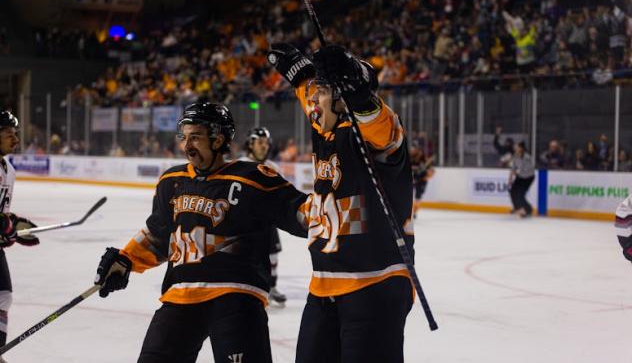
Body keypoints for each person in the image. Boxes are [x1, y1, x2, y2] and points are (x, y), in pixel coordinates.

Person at [94, 102, 309, 363]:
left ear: (218, 139)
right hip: (180, 295)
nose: (187, 146)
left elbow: (305, 215)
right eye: (184, 137)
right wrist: (126, 259)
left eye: (195, 137)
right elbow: (159, 236)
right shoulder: (171, 181)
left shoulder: (253, 179)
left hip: (236, 295)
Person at [268, 44, 415, 363]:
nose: (311, 101)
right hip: (323, 289)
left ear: (343, 98)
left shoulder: (374, 135)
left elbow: (376, 121)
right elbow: (316, 98)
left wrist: (359, 93)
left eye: (319, 93)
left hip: (375, 286)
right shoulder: (326, 127)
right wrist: (303, 74)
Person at [0, 110, 39, 360]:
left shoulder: (9, 170)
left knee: (4, 296)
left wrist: (12, 226)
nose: (15, 140)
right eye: (8, 135)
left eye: (16, 134)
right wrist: (7, 226)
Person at [240, 126, 287, 307]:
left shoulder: (273, 167)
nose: (264, 146)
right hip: (246, 224)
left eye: (266, 143)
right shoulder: (240, 165)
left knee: (273, 256)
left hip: (268, 222)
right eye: (260, 142)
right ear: (250, 144)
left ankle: (271, 288)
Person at [509, 141, 535, 217]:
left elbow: (527, 170)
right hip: (520, 176)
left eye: (516, 146)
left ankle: (528, 210)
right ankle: (517, 207)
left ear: (521, 148)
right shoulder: (515, 155)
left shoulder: (527, 158)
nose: (515, 147)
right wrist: (510, 178)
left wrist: (517, 173)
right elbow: (513, 167)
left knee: (520, 195)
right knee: (512, 191)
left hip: (528, 177)